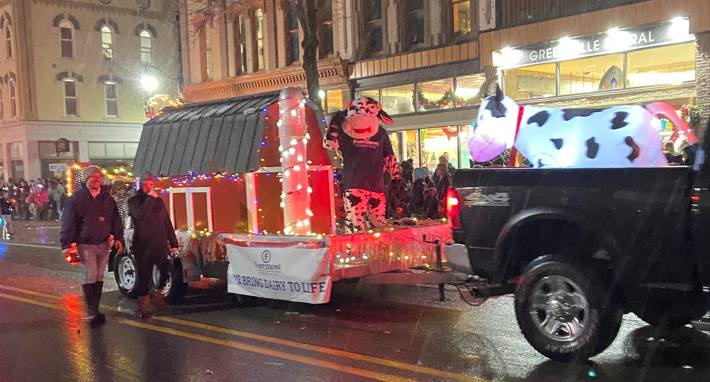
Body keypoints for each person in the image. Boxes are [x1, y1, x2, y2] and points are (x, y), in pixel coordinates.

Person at [61, 166, 124, 326]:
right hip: (86, 243)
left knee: (99, 276)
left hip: (104, 242)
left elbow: (116, 219)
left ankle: (95, 310)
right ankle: (92, 311)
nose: (97, 179)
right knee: (91, 275)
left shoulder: (107, 199)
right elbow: (69, 222)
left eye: (99, 176)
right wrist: (66, 244)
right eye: (93, 177)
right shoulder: (76, 199)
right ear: (86, 179)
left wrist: (118, 237)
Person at [128, 172, 178, 319]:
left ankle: (158, 295)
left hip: (159, 243)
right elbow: (140, 214)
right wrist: (150, 198)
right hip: (143, 245)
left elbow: (166, 221)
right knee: (144, 276)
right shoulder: (134, 201)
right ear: (141, 186)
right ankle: (144, 308)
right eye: (146, 185)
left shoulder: (159, 201)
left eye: (151, 185)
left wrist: (173, 242)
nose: (149, 187)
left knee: (165, 272)